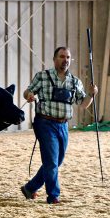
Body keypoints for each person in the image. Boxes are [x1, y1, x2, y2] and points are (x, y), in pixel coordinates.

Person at [21, 47, 98, 204]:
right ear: (55, 59)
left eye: (68, 57)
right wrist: (29, 95)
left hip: (63, 125)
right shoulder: (42, 76)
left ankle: (30, 187)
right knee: (51, 162)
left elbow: (83, 104)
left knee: (57, 161)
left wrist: (91, 94)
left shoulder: (75, 81)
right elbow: (28, 91)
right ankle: (53, 196)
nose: (66, 60)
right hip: (45, 123)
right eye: (62, 56)